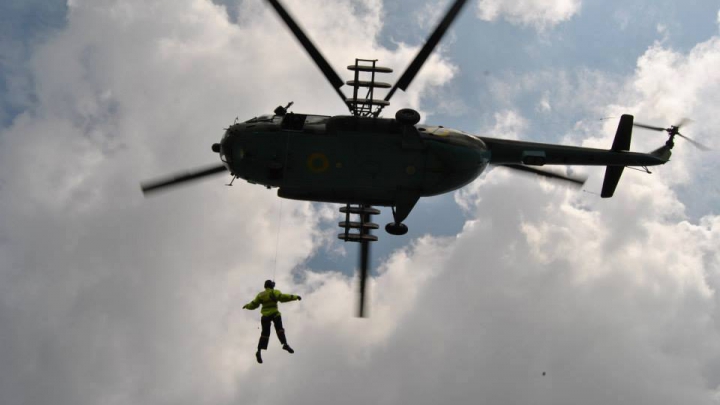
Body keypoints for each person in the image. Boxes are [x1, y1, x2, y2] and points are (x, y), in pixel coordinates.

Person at [242, 280, 302, 364]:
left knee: (265, 334)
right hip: (275, 314)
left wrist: (247, 306)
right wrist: (295, 297)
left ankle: (259, 351)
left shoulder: (260, 295)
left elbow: (254, 304)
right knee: (279, 329)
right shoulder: (274, 292)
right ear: (271, 286)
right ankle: (284, 344)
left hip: (265, 316)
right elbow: (282, 297)